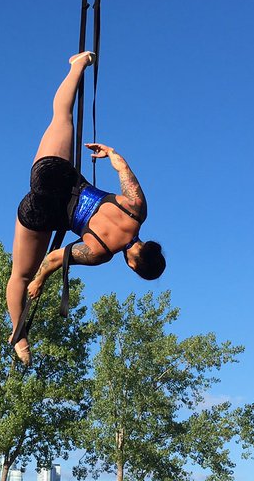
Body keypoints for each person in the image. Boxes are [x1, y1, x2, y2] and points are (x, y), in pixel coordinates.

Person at [8, 52, 165, 363]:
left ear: (148, 246)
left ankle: (78, 64)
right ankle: (19, 337)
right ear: (134, 266)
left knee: (62, 116)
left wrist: (110, 152)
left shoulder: (137, 209)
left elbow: (123, 170)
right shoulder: (100, 253)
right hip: (42, 213)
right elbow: (55, 258)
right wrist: (39, 281)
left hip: (56, 176)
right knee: (21, 276)